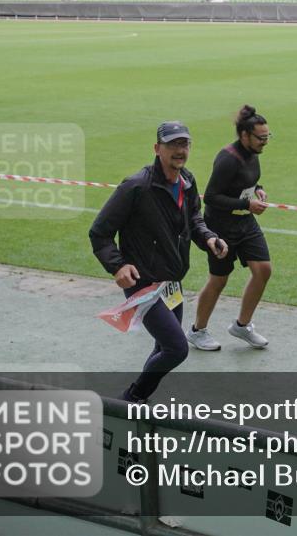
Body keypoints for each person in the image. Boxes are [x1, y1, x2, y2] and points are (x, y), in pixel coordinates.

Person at [89, 121, 228, 402]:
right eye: (173, 144)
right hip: (143, 284)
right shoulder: (136, 187)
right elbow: (99, 232)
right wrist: (117, 265)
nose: (180, 150)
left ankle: (138, 399)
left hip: (171, 282)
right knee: (177, 349)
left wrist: (209, 238)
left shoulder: (186, 182)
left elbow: (194, 219)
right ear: (157, 148)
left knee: (164, 345)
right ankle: (131, 399)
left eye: (184, 144)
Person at [187, 105, 272, 351]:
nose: (265, 142)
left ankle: (242, 326)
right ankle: (197, 331)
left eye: (267, 137)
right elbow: (211, 197)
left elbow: (246, 180)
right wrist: (247, 203)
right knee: (219, 280)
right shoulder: (227, 159)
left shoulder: (253, 153)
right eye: (261, 138)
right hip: (221, 226)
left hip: (245, 222)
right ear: (245, 135)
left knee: (263, 269)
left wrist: (258, 189)